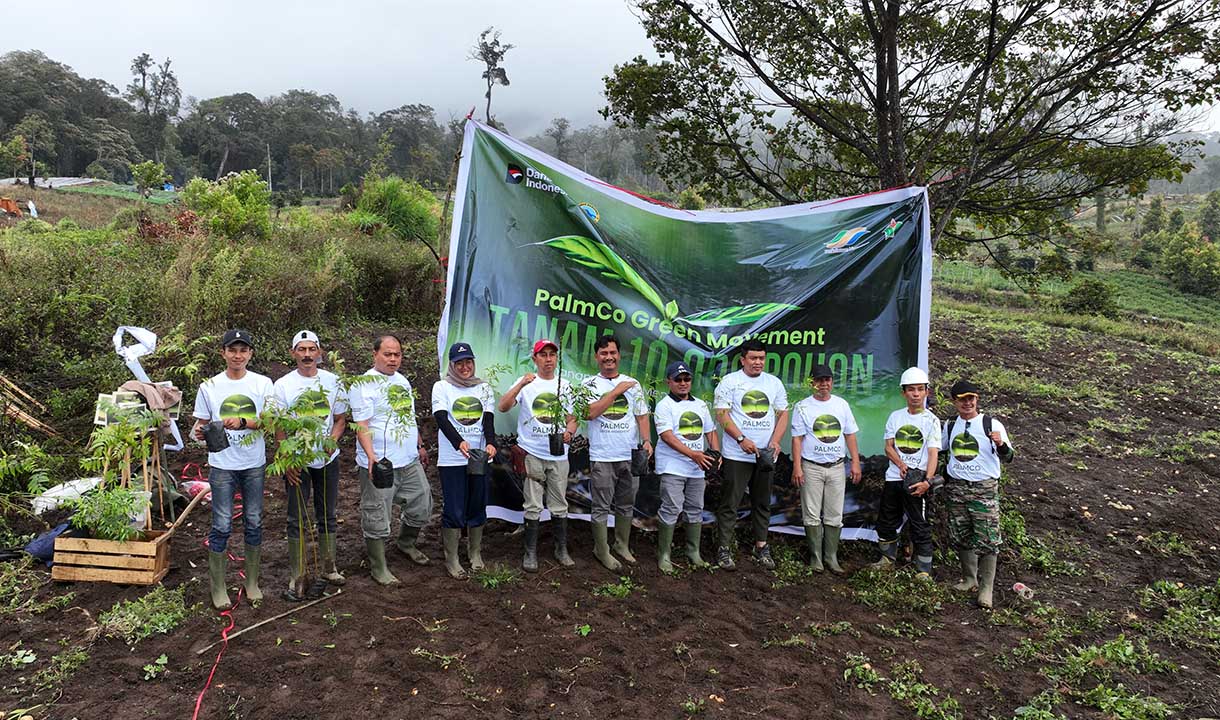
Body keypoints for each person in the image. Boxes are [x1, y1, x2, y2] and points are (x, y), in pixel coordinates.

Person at [191, 329, 274, 610]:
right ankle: (218, 587)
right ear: (223, 353)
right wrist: (200, 433)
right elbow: (199, 424)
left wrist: (244, 422)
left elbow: (271, 422)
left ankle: (251, 583)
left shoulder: (263, 384)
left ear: (250, 354)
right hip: (222, 465)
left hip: (253, 463)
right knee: (222, 524)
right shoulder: (210, 387)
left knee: (253, 521)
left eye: (243, 350)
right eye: (232, 350)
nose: (238, 355)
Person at [271, 330, 348, 601]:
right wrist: (286, 458)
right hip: (298, 461)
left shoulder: (333, 382)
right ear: (293, 353)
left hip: (327, 460)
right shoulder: (282, 385)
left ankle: (329, 566)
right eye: (301, 350)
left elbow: (340, 418)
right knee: (296, 517)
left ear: (319, 352)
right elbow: (279, 425)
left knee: (326, 513)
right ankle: (297, 572)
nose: (306, 355)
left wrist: (332, 440)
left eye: (311, 349)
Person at [348, 335, 431, 585]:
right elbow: (361, 424)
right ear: (375, 354)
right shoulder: (362, 384)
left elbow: (408, 416)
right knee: (377, 513)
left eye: (397, 354)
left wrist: (419, 444)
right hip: (380, 463)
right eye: (387, 354)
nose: (393, 359)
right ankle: (379, 566)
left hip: (408, 459)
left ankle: (405, 543)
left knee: (422, 501)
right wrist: (371, 457)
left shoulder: (403, 382)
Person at [497, 339, 579, 572]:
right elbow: (503, 407)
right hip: (532, 453)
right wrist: (521, 383)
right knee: (532, 504)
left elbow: (572, 418)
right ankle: (530, 552)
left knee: (559, 504)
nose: (548, 359)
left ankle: (560, 549)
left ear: (557, 359)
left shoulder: (566, 386)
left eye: (552, 355)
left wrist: (570, 431)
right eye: (543, 355)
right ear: (535, 359)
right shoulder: (527, 384)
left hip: (559, 455)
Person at [713, 339, 789, 570]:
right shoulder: (730, 382)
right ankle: (724, 549)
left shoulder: (774, 383)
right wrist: (740, 439)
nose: (758, 363)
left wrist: (775, 441)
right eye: (753, 358)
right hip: (737, 454)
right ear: (743, 359)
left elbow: (783, 413)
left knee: (762, 502)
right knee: (730, 502)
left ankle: (761, 547)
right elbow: (721, 414)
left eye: (762, 358)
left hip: (765, 456)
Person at [942, 379, 1014, 609]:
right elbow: (940, 448)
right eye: (962, 399)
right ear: (954, 402)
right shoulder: (950, 425)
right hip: (957, 486)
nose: (968, 403)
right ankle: (969, 579)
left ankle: (986, 588)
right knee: (960, 533)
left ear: (977, 399)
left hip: (983, 488)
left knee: (988, 538)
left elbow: (1009, 456)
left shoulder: (991, 424)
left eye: (971, 398)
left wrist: (1000, 444)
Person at [582, 335, 651, 571]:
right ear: (596, 357)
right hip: (602, 456)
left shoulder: (633, 384)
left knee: (626, 504)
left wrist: (646, 441)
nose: (609, 357)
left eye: (612, 353)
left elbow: (642, 415)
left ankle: (622, 545)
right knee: (601, 506)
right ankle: (601, 549)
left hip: (629, 454)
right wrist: (614, 392)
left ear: (619, 355)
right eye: (603, 353)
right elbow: (589, 413)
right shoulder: (589, 385)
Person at [431, 342, 497, 579]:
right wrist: (458, 442)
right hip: (452, 460)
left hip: (479, 458)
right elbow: (441, 419)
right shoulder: (442, 387)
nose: (465, 367)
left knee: (477, 505)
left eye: (468, 361)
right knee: (455, 508)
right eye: (459, 363)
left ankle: (475, 553)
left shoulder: (484, 388)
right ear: (452, 365)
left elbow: (488, 421)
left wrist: (491, 443)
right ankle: (452, 558)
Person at [790, 364, 862, 574]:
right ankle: (816, 558)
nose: (824, 384)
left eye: (827, 380)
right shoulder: (803, 406)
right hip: (811, 466)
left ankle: (831, 557)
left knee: (834, 514)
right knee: (811, 514)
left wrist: (855, 462)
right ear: (812, 382)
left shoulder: (841, 405)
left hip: (837, 467)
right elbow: (797, 439)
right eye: (819, 380)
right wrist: (797, 467)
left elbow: (850, 434)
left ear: (832, 381)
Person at [653, 360, 719, 572]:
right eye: (678, 379)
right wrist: (693, 454)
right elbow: (667, 436)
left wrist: (715, 454)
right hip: (673, 466)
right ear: (669, 382)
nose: (683, 383)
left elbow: (710, 431)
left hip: (697, 468)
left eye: (686, 379)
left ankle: (693, 551)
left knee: (695, 508)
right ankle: (664, 554)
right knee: (671, 507)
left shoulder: (700, 405)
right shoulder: (664, 406)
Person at [875, 367, 941, 577]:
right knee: (886, 519)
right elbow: (888, 447)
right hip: (894, 477)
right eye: (911, 390)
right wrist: (901, 464)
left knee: (919, 523)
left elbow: (933, 454)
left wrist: (927, 482)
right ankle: (887, 559)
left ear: (926, 392)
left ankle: (923, 569)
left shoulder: (931, 421)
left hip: (917, 480)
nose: (915, 394)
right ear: (903, 392)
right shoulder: (895, 417)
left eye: (920, 390)